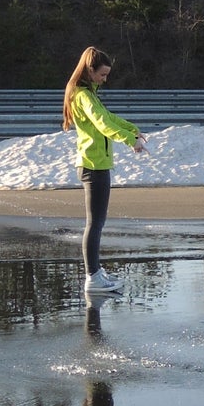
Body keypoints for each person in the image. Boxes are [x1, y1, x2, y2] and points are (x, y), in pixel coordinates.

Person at [62, 46, 147, 294]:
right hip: (93, 165)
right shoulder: (84, 96)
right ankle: (92, 277)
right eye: (102, 74)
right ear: (90, 70)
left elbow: (108, 118)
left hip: (95, 164)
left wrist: (132, 129)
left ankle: (96, 272)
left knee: (96, 223)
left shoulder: (88, 93)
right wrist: (130, 141)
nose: (105, 79)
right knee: (95, 224)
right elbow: (102, 124)